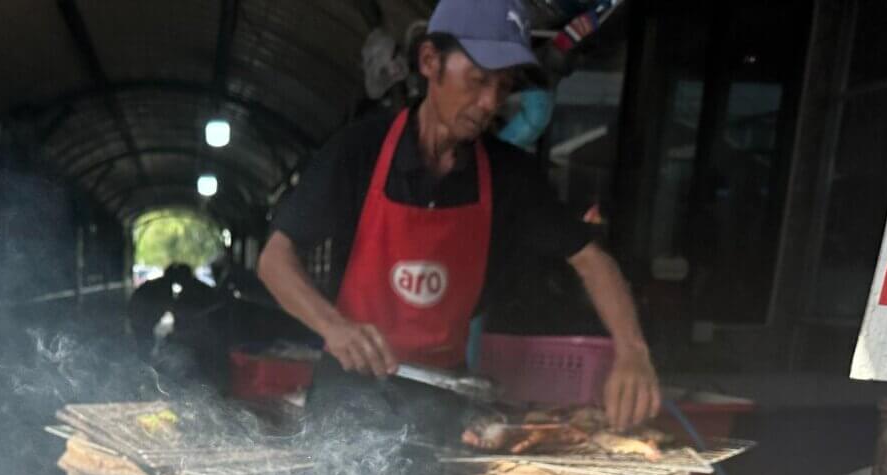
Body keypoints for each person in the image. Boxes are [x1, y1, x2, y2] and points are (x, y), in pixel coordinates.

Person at [257, 0, 660, 432]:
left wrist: (633, 350)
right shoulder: (359, 151)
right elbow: (274, 260)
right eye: (478, 80)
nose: (490, 102)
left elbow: (591, 259)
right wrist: (333, 327)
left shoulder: (510, 176)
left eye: (503, 87)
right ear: (431, 62)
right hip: (347, 399)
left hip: (440, 403)